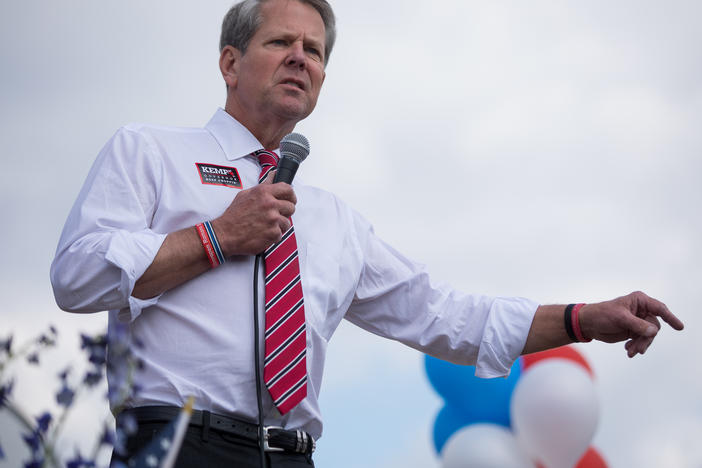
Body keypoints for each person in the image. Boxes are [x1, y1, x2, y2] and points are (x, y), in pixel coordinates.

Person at [50, 0, 684, 466]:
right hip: (175, 447)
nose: (302, 57)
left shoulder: (334, 222)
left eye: (315, 50)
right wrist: (216, 238)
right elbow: (76, 277)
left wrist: (582, 318)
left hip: (294, 455)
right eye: (281, 43)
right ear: (229, 61)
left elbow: (446, 317)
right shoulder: (150, 153)